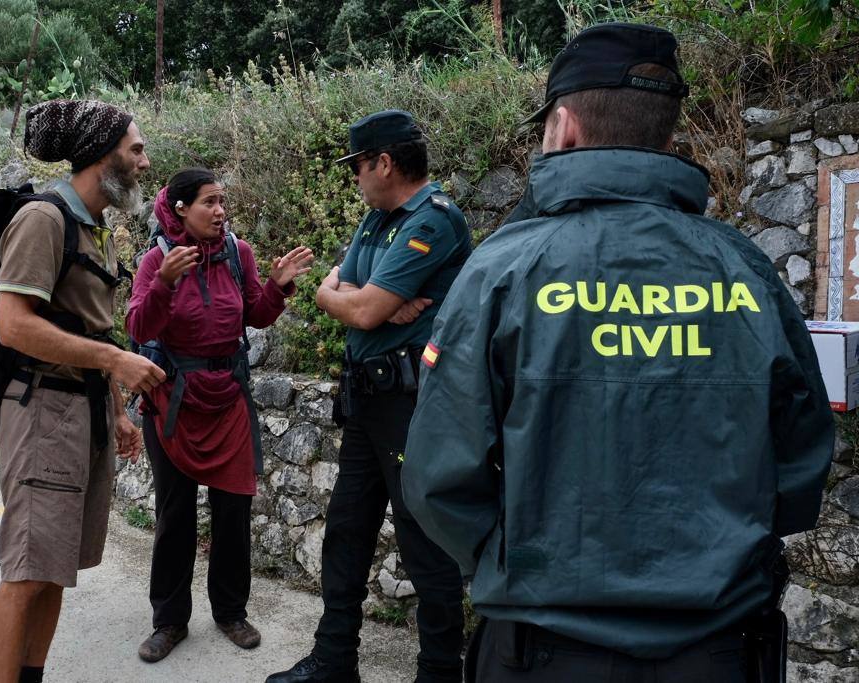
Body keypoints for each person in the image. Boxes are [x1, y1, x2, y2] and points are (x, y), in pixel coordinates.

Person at [401, 22, 835, 682]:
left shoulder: (503, 269)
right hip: (717, 645)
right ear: (667, 134)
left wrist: (512, 561)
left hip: (542, 645)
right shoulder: (743, 268)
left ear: (564, 126)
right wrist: (720, 553)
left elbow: (437, 474)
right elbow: (802, 455)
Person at [267, 110, 471, 683]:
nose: (354, 176)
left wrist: (358, 301)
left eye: (357, 165)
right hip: (366, 400)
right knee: (347, 531)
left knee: (423, 540)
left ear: (384, 163)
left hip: (413, 406)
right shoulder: (377, 221)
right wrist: (357, 300)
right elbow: (341, 291)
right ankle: (335, 660)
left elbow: (357, 305)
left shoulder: (433, 220)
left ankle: (438, 673)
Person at [0, 100, 166, 683]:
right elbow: (13, 325)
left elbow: (91, 327)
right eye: (135, 149)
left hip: (82, 412)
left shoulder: (95, 229)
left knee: (55, 567)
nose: (144, 161)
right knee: (27, 572)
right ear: (101, 155)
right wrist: (116, 361)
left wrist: (116, 412)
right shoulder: (44, 219)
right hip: (42, 412)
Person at [126, 168, 314, 662]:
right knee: (175, 514)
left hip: (227, 398)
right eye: (209, 202)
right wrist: (164, 283)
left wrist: (276, 287)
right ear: (181, 208)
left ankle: (230, 611)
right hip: (173, 403)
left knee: (233, 513)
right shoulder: (156, 261)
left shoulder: (237, 253)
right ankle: (169, 621)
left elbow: (254, 313)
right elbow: (139, 325)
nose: (220, 211)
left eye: (223, 201)